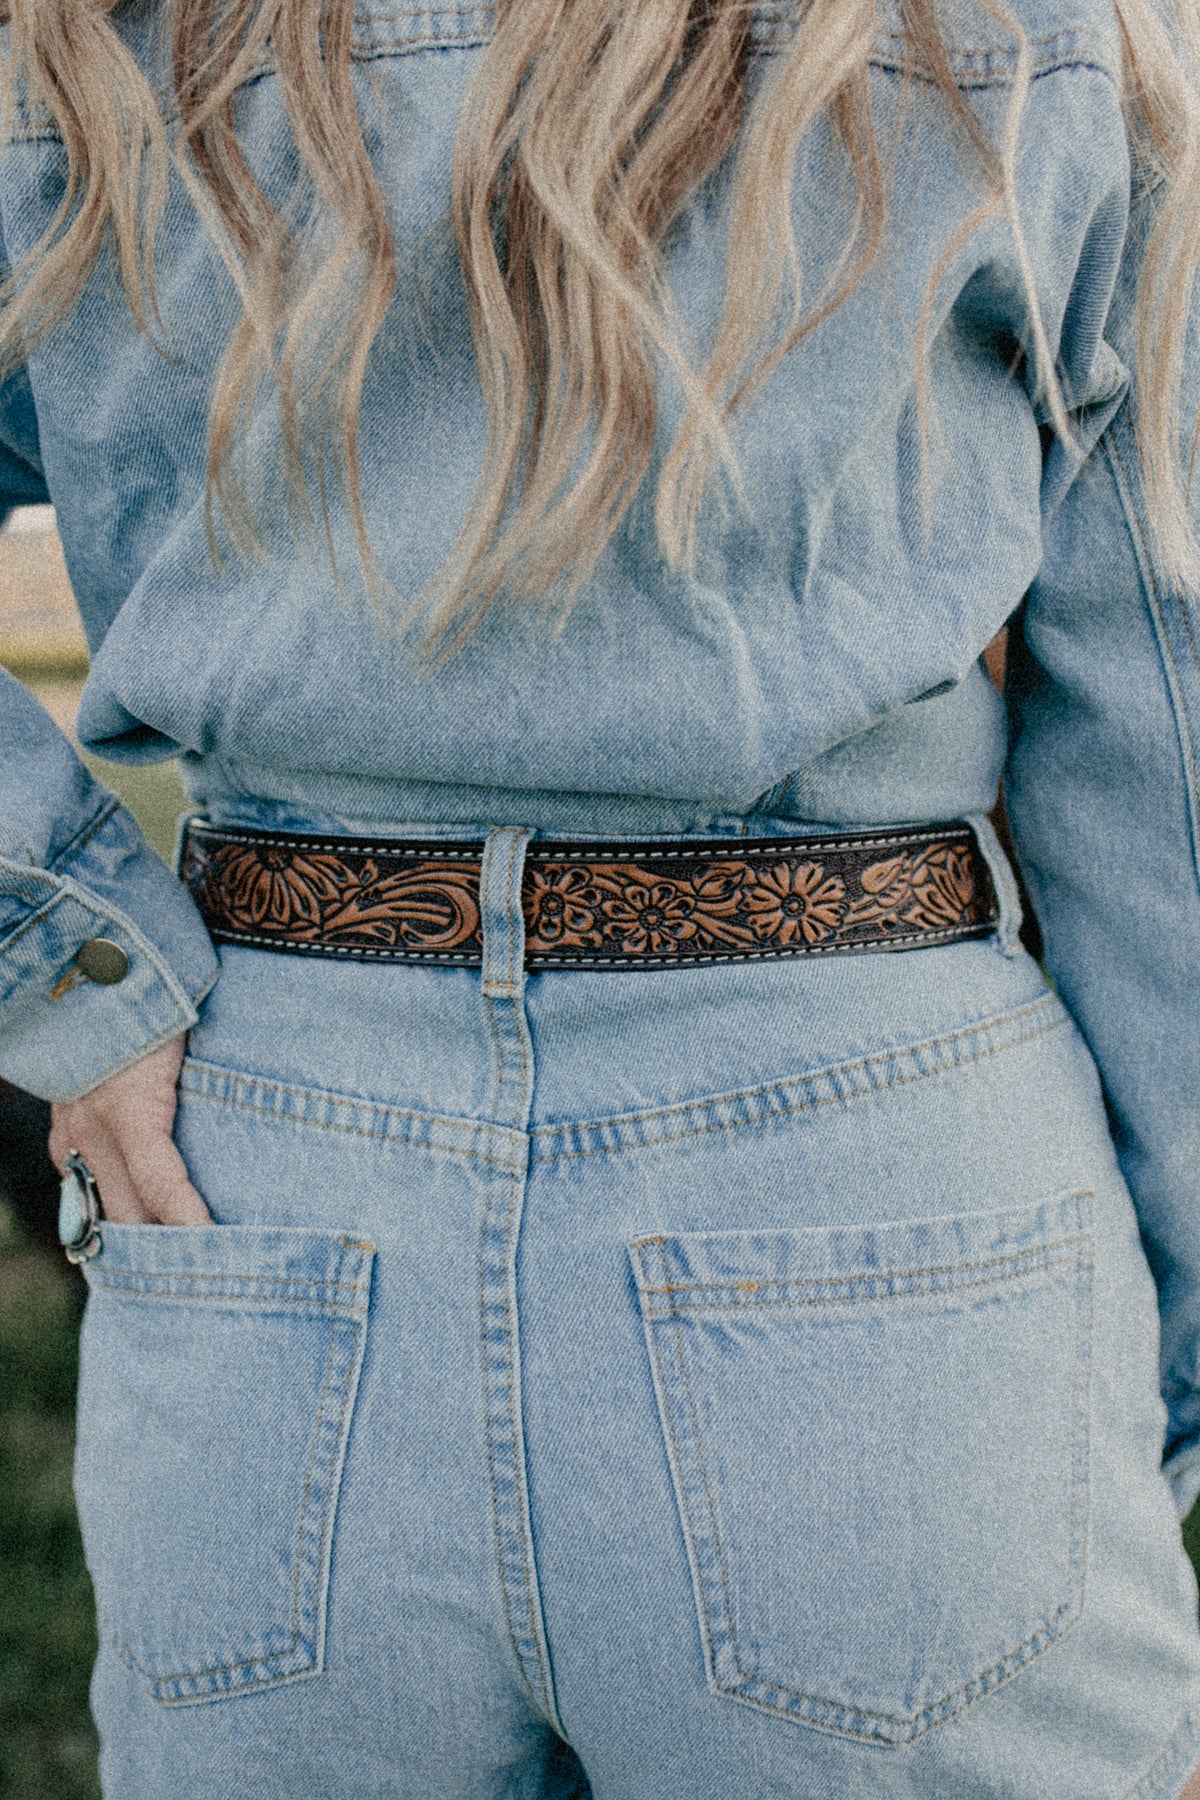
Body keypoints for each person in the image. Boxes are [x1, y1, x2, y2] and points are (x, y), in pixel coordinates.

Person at [4, 0, 1200, 1793]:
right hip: (887, 1183)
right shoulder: (1024, 33)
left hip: (265, 1178)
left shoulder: (80, 45)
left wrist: (63, 963)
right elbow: (1164, 740)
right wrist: (1145, 1374)